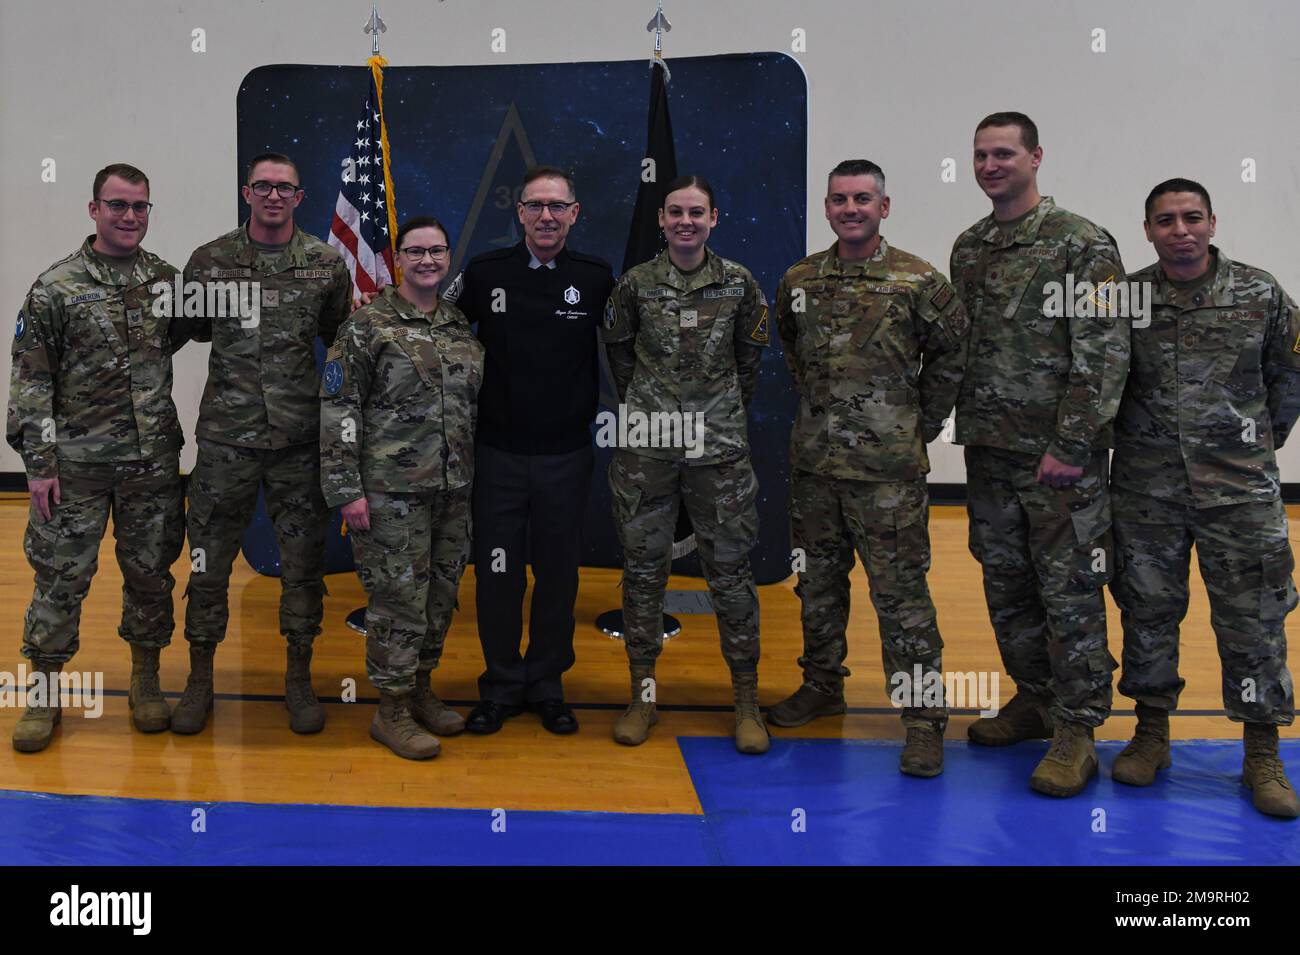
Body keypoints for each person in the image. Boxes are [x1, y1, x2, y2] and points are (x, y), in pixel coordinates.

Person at [950, 112, 1130, 797]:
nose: (991, 165)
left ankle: (1079, 728)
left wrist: (1073, 442)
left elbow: (1105, 349)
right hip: (990, 452)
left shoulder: (1082, 243)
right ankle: (1036, 697)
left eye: (1005, 153)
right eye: (981, 155)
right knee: (1007, 584)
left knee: (1070, 590)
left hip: (1060, 460)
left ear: (1036, 158)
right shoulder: (969, 247)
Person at [770, 160, 970, 777]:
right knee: (819, 587)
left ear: (884, 207)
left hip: (888, 475)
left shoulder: (917, 280)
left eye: (862, 199)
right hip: (815, 468)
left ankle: (922, 719)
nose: (850, 208)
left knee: (901, 597)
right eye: (838, 200)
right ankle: (823, 685)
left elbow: (951, 357)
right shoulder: (800, 279)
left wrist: (918, 424)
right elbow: (792, 351)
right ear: (827, 208)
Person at [1109, 179, 1300, 817]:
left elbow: (1290, 373)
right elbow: (1098, 379)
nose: (1180, 230)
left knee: (1253, 622)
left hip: (1240, 491)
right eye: (1166, 220)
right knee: (1148, 614)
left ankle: (1261, 751)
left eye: (1192, 217)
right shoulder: (1125, 297)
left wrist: (1253, 444)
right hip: (1147, 490)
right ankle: (1151, 733)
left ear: (1213, 222)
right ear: (1148, 230)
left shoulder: (1259, 291)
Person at [171, 153, 352, 735]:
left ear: (300, 197)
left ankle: (298, 680)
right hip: (227, 441)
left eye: (285, 188)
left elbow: (341, 343)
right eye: (263, 187)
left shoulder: (325, 266)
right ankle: (200, 679)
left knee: (302, 567)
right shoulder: (211, 263)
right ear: (247, 193)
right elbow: (179, 333)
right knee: (208, 564)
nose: (273, 196)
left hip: (299, 442)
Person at [7, 163, 184, 750]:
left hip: (151, 464)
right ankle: (44, 692)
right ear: (94, 210)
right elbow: (31, 381)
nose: (130, 217)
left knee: (151, 576)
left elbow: (190, 335)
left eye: (140, 207)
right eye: (118, 205)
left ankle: (146, 680)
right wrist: (39, 463)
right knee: (61, 577)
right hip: (75, 467)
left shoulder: (167, 281)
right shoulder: (55, 287)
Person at [600, 174, 770, 754]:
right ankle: (641, 697)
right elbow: (619, 357)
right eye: (675, 212)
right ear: (662, 220)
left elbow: (750, 362)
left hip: (718, 449)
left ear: (714, 218)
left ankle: (746, 700)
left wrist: (713, 413)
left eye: (696, 212)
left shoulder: (740, 284)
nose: (685, 222)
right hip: (647, 447)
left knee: (731, 575)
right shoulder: (635, 286)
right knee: (644, 573)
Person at [443, 166, 614, 735]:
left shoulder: (595, 277)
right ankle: (500, 685)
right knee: (498, 574)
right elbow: (438, 330)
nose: (546, 215)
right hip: (498, 457)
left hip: (566, 457)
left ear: (574, 213)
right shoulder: (486, 272)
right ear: (518, 214)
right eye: (535, 206)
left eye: (556, 206)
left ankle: (546, 684)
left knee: (559, 576)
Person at [320, 217, 483, 759]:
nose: (428, 260)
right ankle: (388, 711)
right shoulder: (367, 327)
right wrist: (347, 489)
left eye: (437, 250)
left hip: (452, 489)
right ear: (398, 259)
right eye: (416, 251)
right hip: (390, 493)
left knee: (439, 598)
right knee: (397, 603)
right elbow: (340, 409)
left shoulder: (459, 326)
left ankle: (419, 690)